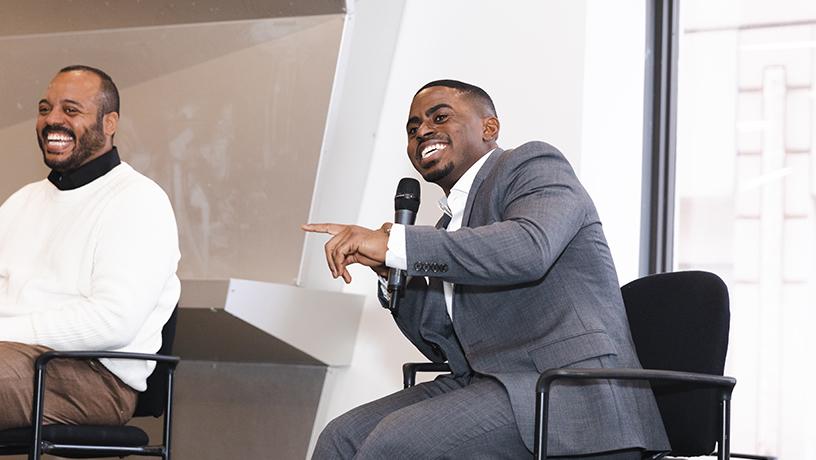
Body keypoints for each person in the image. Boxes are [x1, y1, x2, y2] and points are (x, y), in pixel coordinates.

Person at [303, 79, 670, 459]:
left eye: (439, 117)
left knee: (396, 445)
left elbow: (529, 248)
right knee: (341, 438)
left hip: (567, 388)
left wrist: (399, 243)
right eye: (412, 130)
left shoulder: (532, 165)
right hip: (486, 382)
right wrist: (391, 270)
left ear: (489, 128)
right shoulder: (449, 229)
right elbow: (439, 342)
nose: (422, 131)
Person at [0, 65, 180, 429]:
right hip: (13, 357)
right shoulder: (21, 201)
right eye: (44, 109)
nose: (53, 120)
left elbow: (113, 321)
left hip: (95, 378)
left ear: (109, 122)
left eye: (70, 110)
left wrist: (5, 331)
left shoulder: (138, 200)